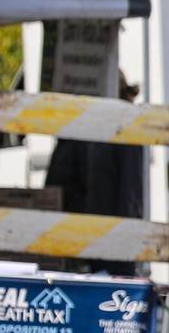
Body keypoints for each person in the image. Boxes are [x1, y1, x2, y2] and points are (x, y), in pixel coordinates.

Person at [45, 72, 145, 275]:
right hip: (109, 238)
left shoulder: (105, 125)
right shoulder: (127, 122)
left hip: (93, 237)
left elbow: (59, 183)